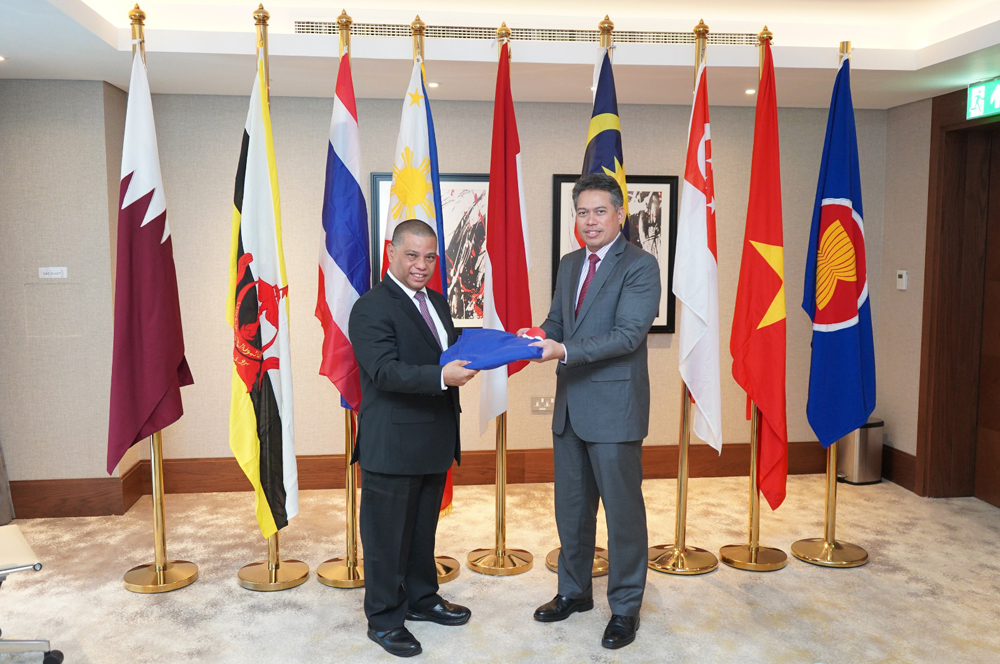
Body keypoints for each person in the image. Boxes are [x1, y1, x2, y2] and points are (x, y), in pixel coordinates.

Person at [526, 173, 660, 650]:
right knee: (572, 511)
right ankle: (574, 592)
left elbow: (627, 335)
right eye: (581, 212)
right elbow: (558, 322)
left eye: (599, 211)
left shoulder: (641, 266)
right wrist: (534, 336)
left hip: (615, 409)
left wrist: (560, 350)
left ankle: (625, 607)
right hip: (570, 410)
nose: (589, 221)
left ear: (620, 215)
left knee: (623, 515)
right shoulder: (568, 264)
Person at [349, 219, 478, 658]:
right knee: (386, 539)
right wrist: (443, 375)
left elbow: (452, 349)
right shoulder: (371, 307)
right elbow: (384, 371)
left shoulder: (437, 303)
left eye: (429, 257)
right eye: (412, 255)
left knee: (423, 532)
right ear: (391, 252)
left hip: (434, 439)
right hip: (394, 444)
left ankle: (422, 599)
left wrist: (502, 346)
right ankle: (384, 619)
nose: (421, 265)